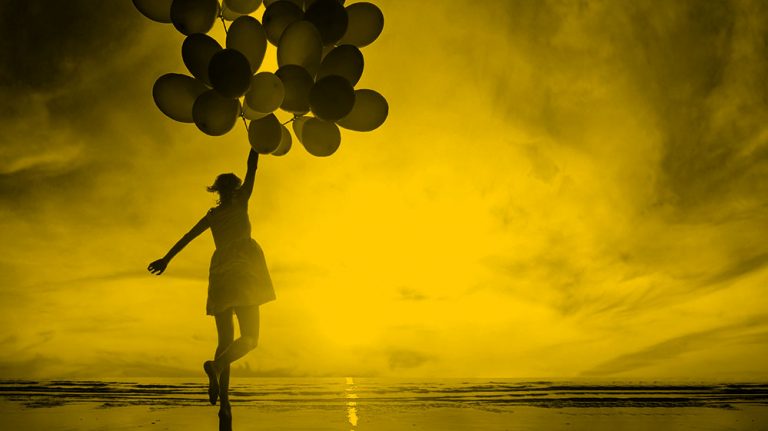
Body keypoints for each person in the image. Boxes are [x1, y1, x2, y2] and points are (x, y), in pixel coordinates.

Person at [147, 149, 275, 429]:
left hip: (219, 273)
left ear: (217, 191)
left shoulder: (213, 215)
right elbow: (253, 168)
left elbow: (187, 237)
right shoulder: (241, 202)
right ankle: (216, 368)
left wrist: (166, 259)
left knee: (224, 340)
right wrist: (256, 142)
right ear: (237, 188)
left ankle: (225, 406)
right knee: (250, 338)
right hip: (243, 270)